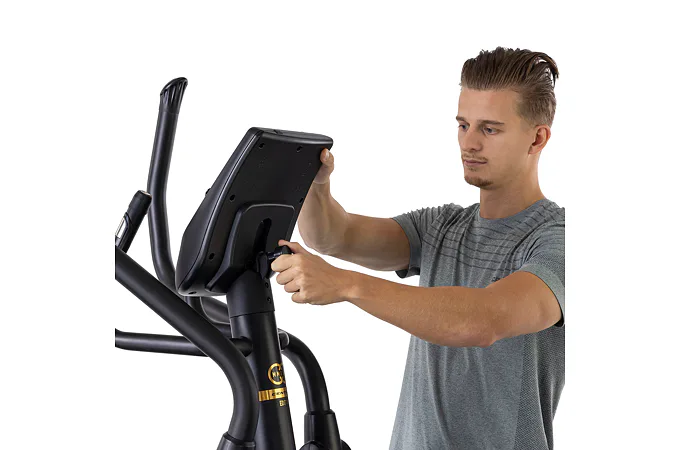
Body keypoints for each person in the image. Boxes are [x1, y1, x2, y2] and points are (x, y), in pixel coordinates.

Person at [271, 46, 565, 450]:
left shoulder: (558, 239)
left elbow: (484, 321)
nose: (469, 143)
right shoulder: (442, 226)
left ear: (537, 138)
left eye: (490, 129)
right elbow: (333, 237)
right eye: (463, 125)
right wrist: (315, 185)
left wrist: (346, 285)